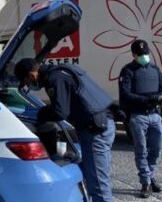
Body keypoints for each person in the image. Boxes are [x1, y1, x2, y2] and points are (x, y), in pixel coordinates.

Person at [15, 58, 116, 202]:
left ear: (31, 75)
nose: (31, 85)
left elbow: (59, 112)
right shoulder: (62, 70)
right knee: (93, 176)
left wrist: (41, 113)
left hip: (95, 129)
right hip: (100, 124)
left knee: (98, 183)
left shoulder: (54, 78)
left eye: (28, 82)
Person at [118, 40, 162, 199]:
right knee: (141, 150)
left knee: (157, 148)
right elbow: (125, 94)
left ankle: (150, 174)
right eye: (140, 55)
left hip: (155, 115)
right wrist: (145, 99)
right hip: (138, 115)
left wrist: (159, 97)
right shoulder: (127, 71)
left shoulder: (155, 69)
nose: (143, 57)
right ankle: (146, 182)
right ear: (133, 55)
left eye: (145, 54)